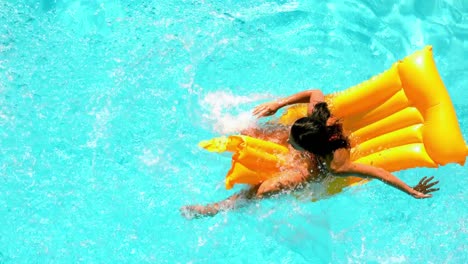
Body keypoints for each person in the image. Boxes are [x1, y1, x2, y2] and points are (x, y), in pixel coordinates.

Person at [181, 90, 440, 219]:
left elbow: (379, 173)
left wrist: (412, 190)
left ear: (310, 150)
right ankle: (223, 128)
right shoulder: (321, 119)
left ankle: (215, 208)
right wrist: (278, 104)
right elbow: (314, 91)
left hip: (315, 169)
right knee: (269, 131)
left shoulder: (338, 164)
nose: (290, 144)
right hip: (315, 141)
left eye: (295, 144)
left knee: (267, 189)